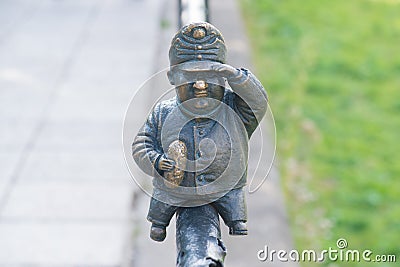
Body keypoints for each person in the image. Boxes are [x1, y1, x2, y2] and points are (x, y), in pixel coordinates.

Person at [132, 22, 268, 242]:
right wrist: (157, 161)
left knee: (232, 204)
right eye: (190, 77)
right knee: (163, 201)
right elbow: (141, 144)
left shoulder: (235, 110)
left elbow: (259, 101)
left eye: (211, 75)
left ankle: (235, 219)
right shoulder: (163, 111)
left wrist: (235, 75)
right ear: (173, 78)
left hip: (226, 186)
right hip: (175, 189)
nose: (200, 85)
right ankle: (159, 223)